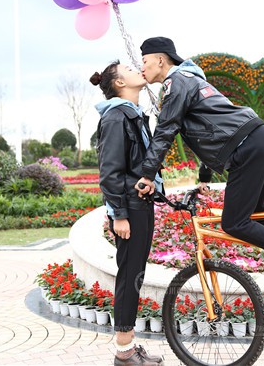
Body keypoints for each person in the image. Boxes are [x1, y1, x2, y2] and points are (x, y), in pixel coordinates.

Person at [135, 37, 264, 289]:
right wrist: (204, 178)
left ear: (160, 60)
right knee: (254, 212)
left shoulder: (176, 83)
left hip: (248, 145)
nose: (141, 67)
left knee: (234, 223)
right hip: (259, 138)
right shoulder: (191, 79)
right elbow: (209, 131)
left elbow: (166, 130)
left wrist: (147, 174)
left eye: (144, 61)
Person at [90, 60, 164, 366]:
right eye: (130, 70)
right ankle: (124, 352)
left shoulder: (132, 115)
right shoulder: (115, 117)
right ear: (120, 83)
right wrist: (119, 215)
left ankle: (129, 347)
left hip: (140, 205)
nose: (138, 70)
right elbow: (109, 172)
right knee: (129, 276)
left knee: (135, 274)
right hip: (129, 210)